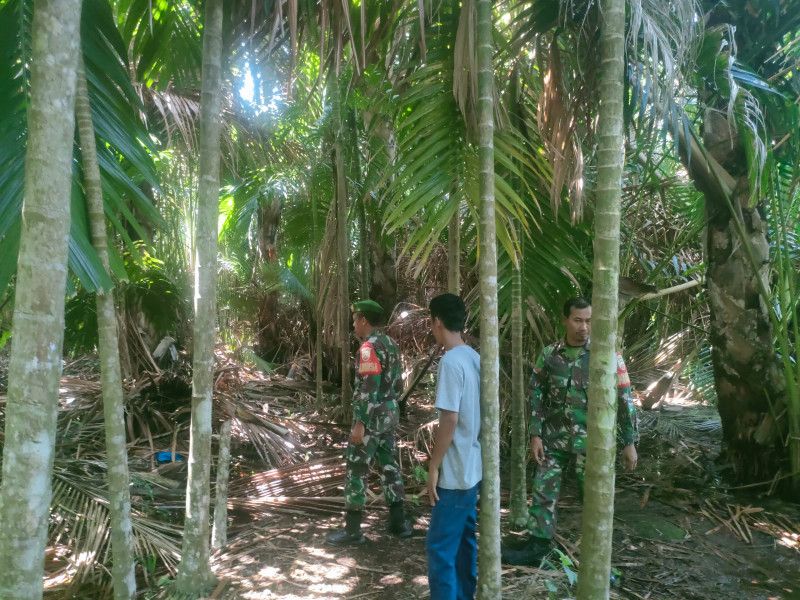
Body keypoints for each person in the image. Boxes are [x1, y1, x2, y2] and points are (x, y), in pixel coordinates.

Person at [502, 296, 639, 565]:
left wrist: (628, 442)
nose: (584, 327)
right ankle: (537, 548)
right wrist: (536, 434)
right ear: (565, 320)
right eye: (577, 320)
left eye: (588, 321)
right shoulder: (549, 355)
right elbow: (537, 395)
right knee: (543, 492)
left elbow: (625, 399)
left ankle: (598, 561)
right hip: (554, 439)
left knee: (594, 501)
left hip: (594, 443)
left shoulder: (608, 355)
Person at [326, 300, 413, 545]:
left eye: (355, 320)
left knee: (356, 467)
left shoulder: (367, 348)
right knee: (389, 466)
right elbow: (398, 384)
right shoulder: (391, 344)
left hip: (371, 417)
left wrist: (360, 423)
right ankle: (398, 523)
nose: (353, 325)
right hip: (389, 414)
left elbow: (368, 387)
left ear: (364, 321)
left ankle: (353, 530)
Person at [425, 293, 482, 600]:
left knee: (439, 548)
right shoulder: (474, 357)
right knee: (464, 543)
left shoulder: (450, 362)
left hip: (456, 471)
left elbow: (449, 418)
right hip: (473, 468)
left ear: (436, 322)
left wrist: (434, 466)